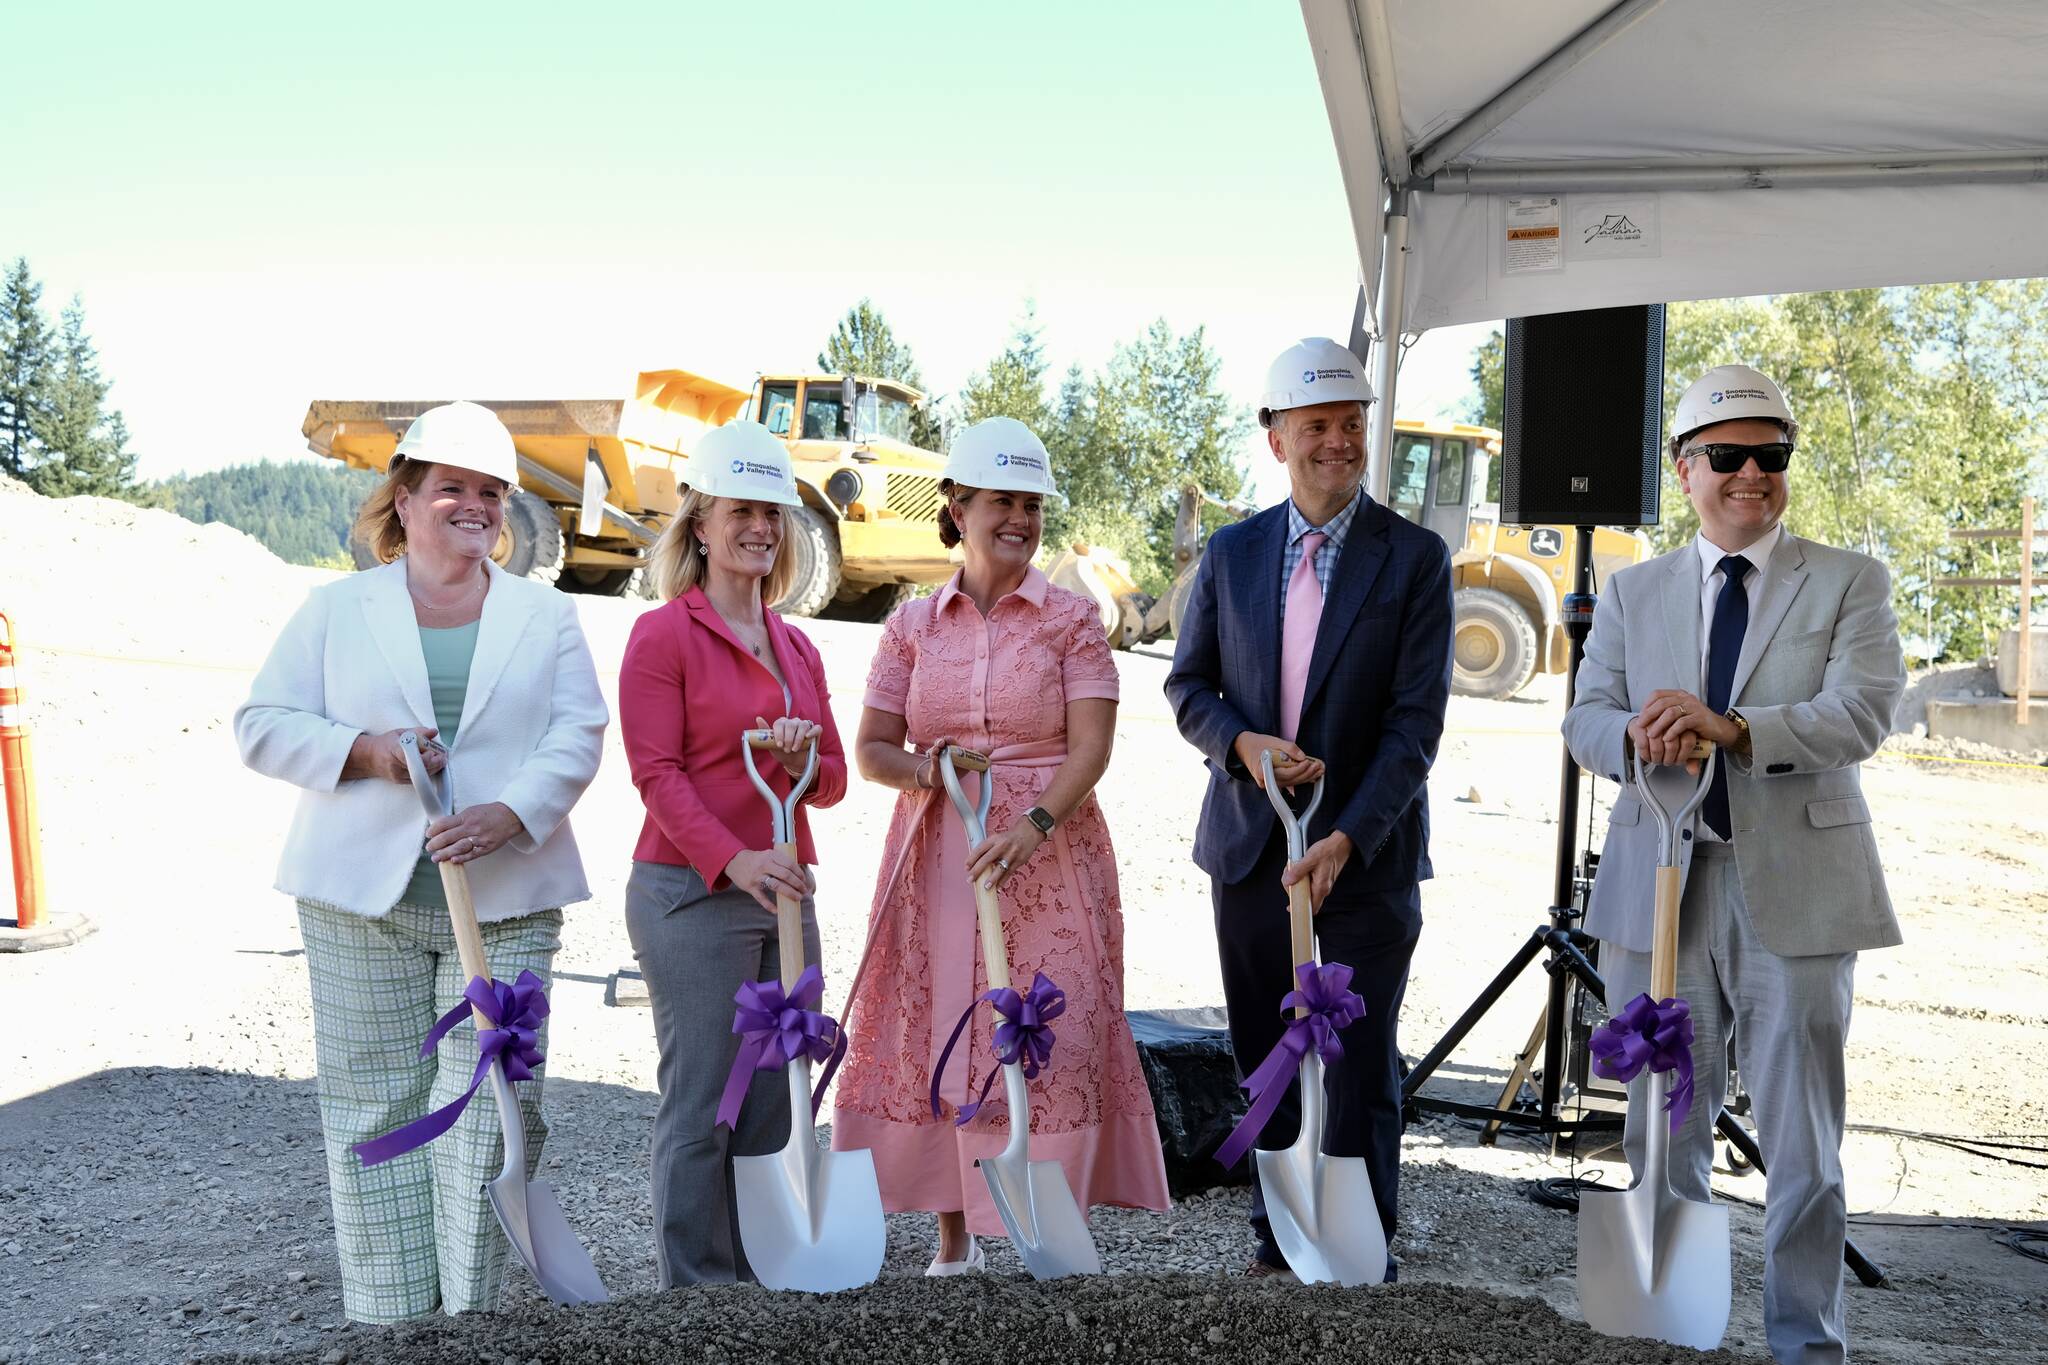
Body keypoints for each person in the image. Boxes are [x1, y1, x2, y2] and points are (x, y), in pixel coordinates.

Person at [234, 401, 607, 1323]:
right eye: (452, 488)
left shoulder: (546, 616)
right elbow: (261, 725)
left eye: (491, 492)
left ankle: (469, 1319)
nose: (473, 506)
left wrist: (507, 813)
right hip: (360, 897)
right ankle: (393, 1320)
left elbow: (579, 734)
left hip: (509, 893)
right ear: (403, 499)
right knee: (376, 1107)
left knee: (490, 1108)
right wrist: (368, 752)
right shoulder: (335, 608)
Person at [1563, 364, 1904, 1365]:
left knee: (1801, 1145)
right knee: (1658, 1127)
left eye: (1771, 456)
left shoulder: (1848, 580)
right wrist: (1634, 737)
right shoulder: (1629, 591)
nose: (1750, 474)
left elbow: (1861, 714)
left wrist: (1732, 727)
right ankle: (1668, 1333)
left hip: (1796, 898)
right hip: (1656, 891)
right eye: (1726, 456)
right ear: (1683, 469)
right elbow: (1582, 723)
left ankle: (1804, 1345)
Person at [831, 416, 1169, 1274]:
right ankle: (951, 1238)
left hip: (1048, 851)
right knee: (940, 1025)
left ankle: (1041, 1231)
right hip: (939, 847)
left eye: (1031, 503)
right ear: (958, 504)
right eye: (1000, 500)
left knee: (1054, 1026)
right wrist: (927, 771)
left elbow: (1091, 747)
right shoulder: (911, 624)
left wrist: (1033, 825)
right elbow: (870, 748)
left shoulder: (1072, 619)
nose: (1018, 518)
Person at [1164, 338, 1453, 1280]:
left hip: (1365, 851)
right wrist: (1243, 747)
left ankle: (1361, 1239)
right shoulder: (1233, 552)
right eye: (1318, 425)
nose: (1338, 442)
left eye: (1352, 425)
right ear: (1276, 435)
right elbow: (1190, 686)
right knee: (1268, 1051)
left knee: (1362, 1056)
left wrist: (1343, 834)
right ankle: (1281, 1237)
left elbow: (1415, 724)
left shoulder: (1414, 560)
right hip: (1253, 848)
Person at [617, 420, 848, 1287]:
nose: (761, 527)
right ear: (702, 522)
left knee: (773, 1102)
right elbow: (657, 774)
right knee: (704, 1097)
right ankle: (696, 1291)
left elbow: (827, 781)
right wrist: (735, 861)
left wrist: (803, 762)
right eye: (743, 510)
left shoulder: (797, 646)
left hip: (784, 892)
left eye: (774, 514)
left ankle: (759, 1277)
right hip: (689, 890)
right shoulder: (663, 636)